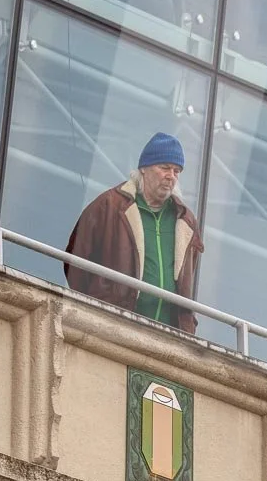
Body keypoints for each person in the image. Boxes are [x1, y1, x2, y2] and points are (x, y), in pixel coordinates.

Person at [64, 132, 204, 334]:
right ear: (144, 169)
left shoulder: (186, 221)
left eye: (176, 171)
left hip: (168, 337)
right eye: (164, 168)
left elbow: (187, 279)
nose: (171, 176)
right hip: (115, 327)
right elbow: (75, 259)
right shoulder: (109, 206)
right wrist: (98, 303)